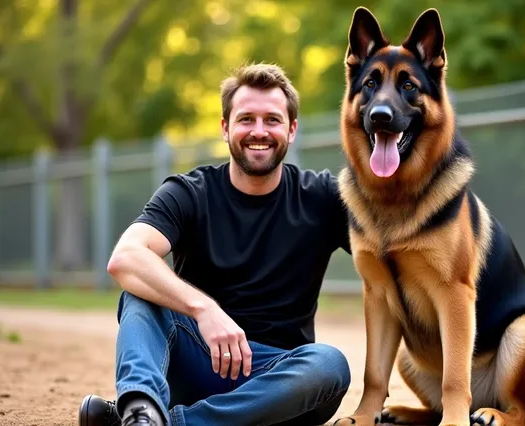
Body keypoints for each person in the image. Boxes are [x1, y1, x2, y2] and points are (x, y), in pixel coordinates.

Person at [78, 63, 352, 426]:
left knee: (329, 363)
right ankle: (141, 409)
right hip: (196, 363)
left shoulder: (324, 197)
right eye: (245, 119)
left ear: (292, 129)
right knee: (140, 292)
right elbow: (126, 258)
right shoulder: (190, 192)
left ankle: (163, 424)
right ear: (225, 128)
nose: (259, 131)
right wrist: (204, 310)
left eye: (272, 120)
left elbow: (398, 255)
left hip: (276, 384)